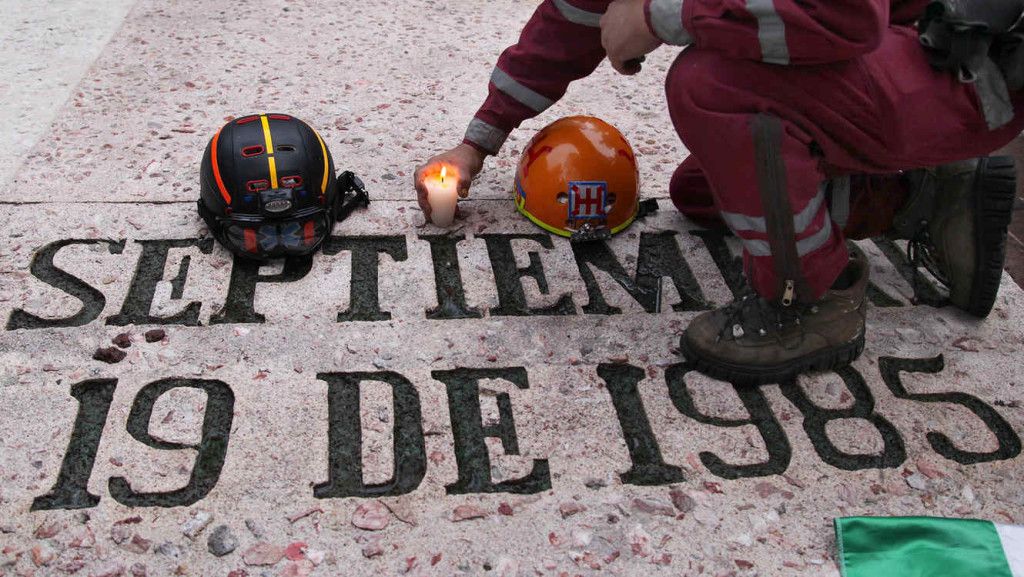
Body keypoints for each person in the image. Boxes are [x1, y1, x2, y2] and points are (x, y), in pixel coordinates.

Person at [414, 0, 1023, 384]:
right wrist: (476, 144)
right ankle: (916, 200)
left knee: (713, 88)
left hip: (955, 71)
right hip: (900, 63)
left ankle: (811, 299)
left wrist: (661, 14)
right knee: (706, 192)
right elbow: (565, 27)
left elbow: (846, 18)